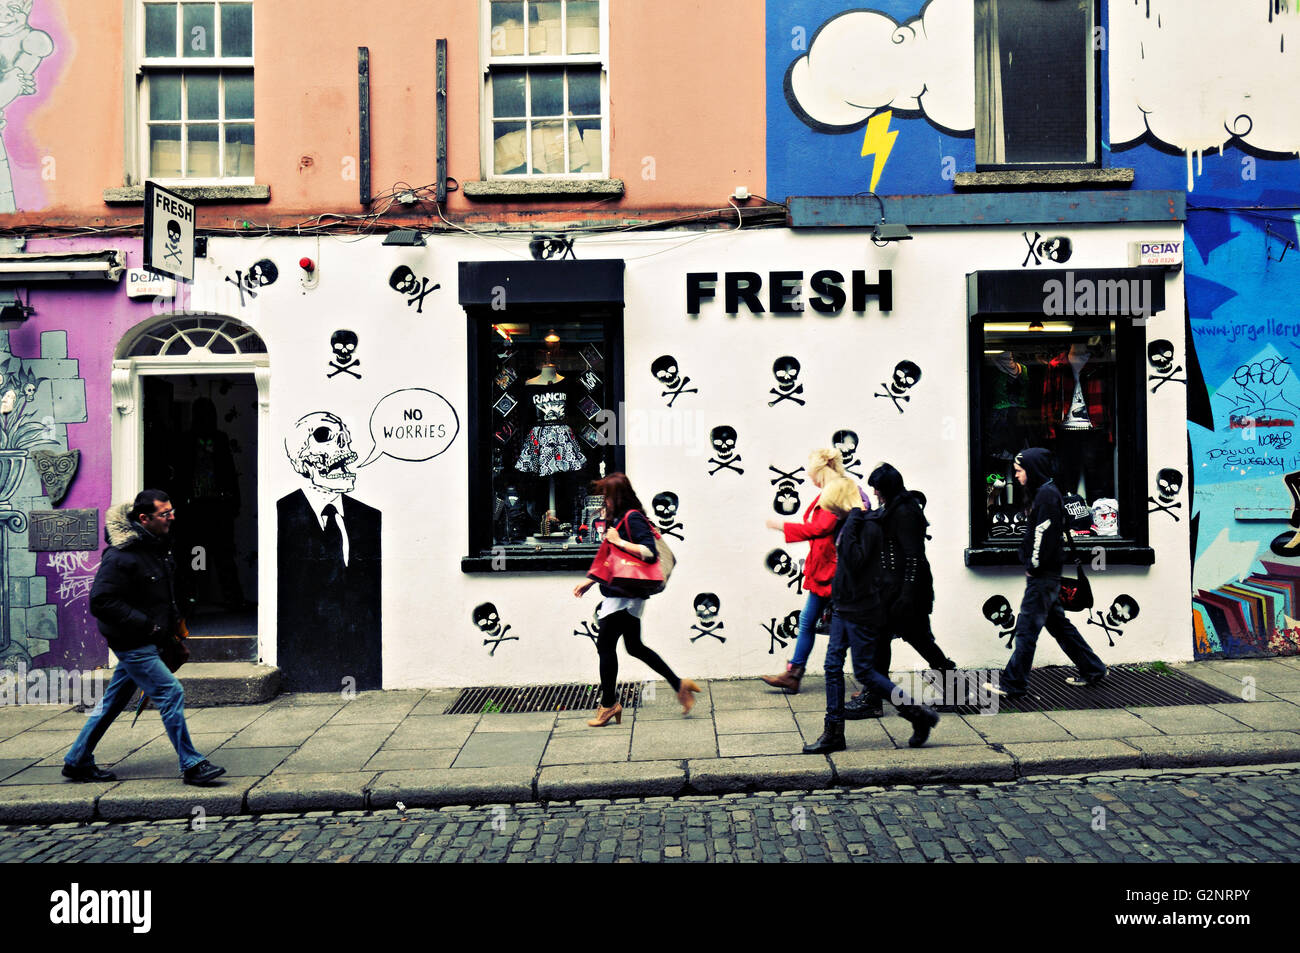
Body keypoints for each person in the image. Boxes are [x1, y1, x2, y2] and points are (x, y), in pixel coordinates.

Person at [62, 491, 226, 786]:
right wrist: (149, 628)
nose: (172, 517)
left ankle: (77, 760)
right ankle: (191, 764)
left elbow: (161, 595)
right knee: (170, 692)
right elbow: (101, 602)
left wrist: (172, 633)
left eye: (171, 510)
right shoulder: (121, 555)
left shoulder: (155, 548)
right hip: (133, 642)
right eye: (165, 514)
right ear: (143, 518)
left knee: (113, 702)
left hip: (150, 639)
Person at [802, 477, 939, 753]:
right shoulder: (848, 524)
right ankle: (833, 733)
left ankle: (918, 715)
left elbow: (853, 561)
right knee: (832, 667)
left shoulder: (867, 525)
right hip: (843, 605)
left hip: (861, 609)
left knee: (866, 672)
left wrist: (852, 520)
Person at [574, 472, 699, 727]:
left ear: (618, 496)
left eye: (607, 495)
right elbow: (613, 560)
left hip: (624, 597)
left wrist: (619, 540)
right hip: (624, 595)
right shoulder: (621, 519)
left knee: (605, 646)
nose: (604, 500)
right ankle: (679, 685)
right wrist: (590, 581)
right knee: (634, 647)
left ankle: (608, 704)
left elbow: (649, 553)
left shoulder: (633, 519)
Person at [984, 448, 1108, 701]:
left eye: (1019, 471)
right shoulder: (1045, 493)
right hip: (1047, 574)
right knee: (1060, 627)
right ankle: (1093, 668)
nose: (1016, 476)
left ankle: (1013, 683)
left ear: (1032, 470)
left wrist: (1033, 565)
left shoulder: (1046, 496)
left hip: (1042, 576)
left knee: (1027, 631)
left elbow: (1043, 534)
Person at [845, 463, 956, 718]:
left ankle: (874, 699)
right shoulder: (894, 507)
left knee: (915, 639)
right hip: (893, 589)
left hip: (907, 591)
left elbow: (913, 556)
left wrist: (906, 596)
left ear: (887, 488)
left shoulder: (905, 511)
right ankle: (874, 697)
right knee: (885, 640)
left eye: (877, 489)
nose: (874, 494)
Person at [760, 448, 854, 693]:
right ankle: (794, 673)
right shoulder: (831, 491)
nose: (810, 478)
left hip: (833, 573)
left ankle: (872, 682)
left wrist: (781, 525)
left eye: (812, 473)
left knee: (851, 626)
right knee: (810, 620)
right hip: (823, 570)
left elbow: (819, 528)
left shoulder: (837, 492)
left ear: (820, 471)